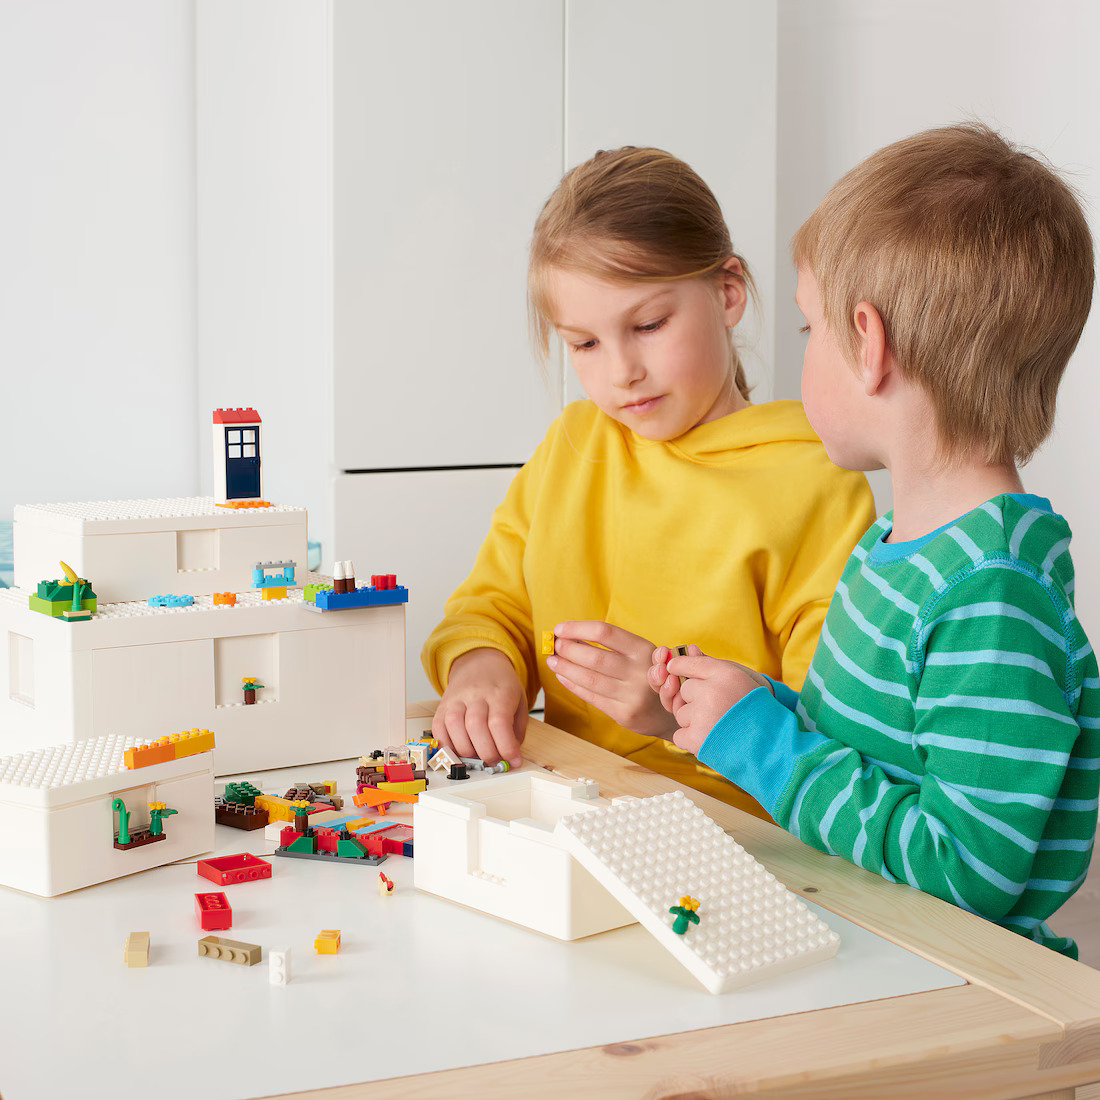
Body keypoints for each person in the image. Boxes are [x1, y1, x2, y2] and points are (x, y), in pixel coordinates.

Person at [650, 122, 1099, 954]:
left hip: (954, 978)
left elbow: (968, 874)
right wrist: (752, 707)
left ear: (869, 344)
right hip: (862, 935)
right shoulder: (900, 544)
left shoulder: (991, 597)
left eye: (808, 330)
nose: (803, 355)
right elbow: (867, 757)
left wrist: (767, 746)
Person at [422, 146, 875, 817]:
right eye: (585, 344)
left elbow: (833, 732)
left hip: (733, 830)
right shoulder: (573, 446)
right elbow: (492, 605)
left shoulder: (816, 478)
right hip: (567, 803)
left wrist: (676, 711)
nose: (622, 371)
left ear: (728, 292)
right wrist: (482, 667)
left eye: (648, 325)